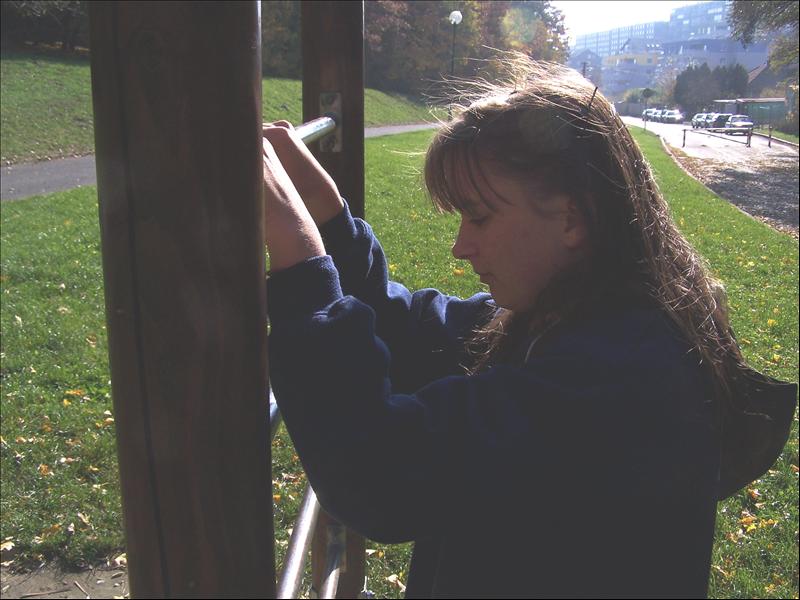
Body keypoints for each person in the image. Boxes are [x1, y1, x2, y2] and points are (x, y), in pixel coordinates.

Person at [261, 59, 796, 598]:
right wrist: (330, 220)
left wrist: (301, 262)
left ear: (571, 218)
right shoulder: (580, 318)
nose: (460, 246)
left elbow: (381, 475)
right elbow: (418, 333)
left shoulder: (622, 379)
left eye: (479, 216)